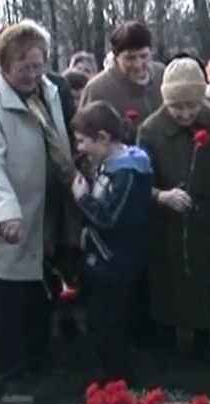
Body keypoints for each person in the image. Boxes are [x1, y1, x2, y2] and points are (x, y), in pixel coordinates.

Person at [0, 20, 77, 404]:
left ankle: (36, 359)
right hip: (5, 220)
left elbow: (59, 141)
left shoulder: (48, 91)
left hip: (42, 211)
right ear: (4, 64)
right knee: (3, 302)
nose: (32, 74)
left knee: (37, 292)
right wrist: (5, 213)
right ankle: (4, 384)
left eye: (38, 64)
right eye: (24, 67)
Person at [138, 58, 210, 362]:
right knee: (169, 278)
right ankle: (168, 336)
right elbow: (140, 181)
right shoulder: (150, 130)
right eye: (177, 108)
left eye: (192, 107)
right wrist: (161, 196)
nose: (185, 114)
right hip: (168, 221)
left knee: (208, 278)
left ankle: (203, 337)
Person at [70, 101, 153, 384]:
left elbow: (110, 218)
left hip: (117, 262)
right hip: (103, 259)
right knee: (97, 322)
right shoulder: (107, 166)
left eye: (83, 141)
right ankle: (108, 374)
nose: (79, 148)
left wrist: (83, 200)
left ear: (104, 138)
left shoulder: (126, 173)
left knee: (109, 325)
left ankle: (119, 380)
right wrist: (87, 231)